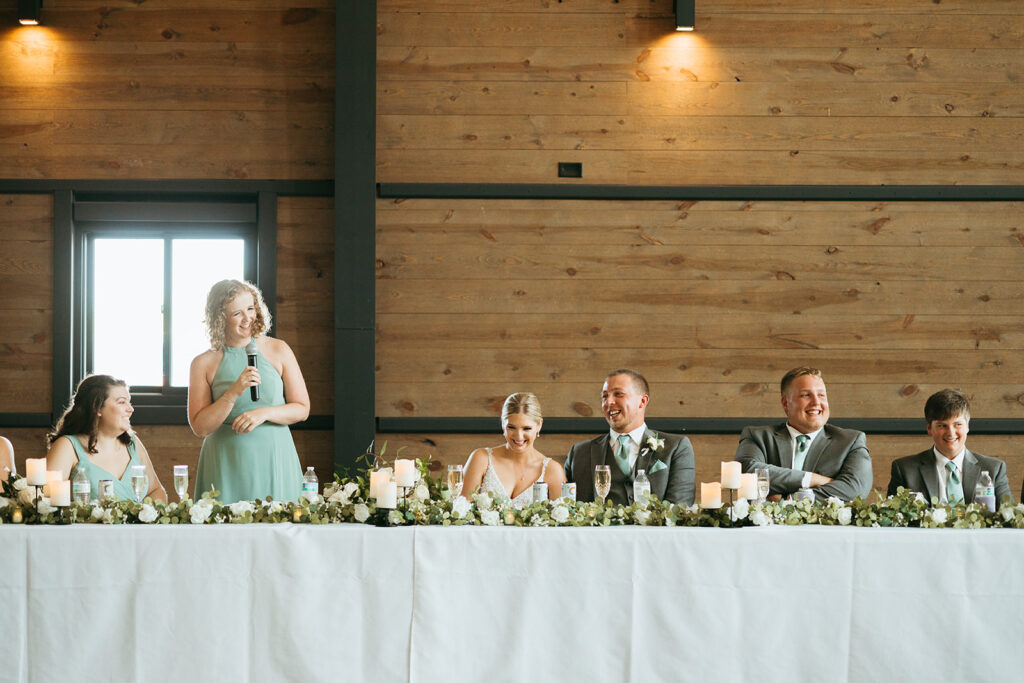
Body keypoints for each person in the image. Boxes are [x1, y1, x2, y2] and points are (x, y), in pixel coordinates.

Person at [188, 279, 309, 504]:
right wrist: (233, 392)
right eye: (237, 314)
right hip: (226, 463)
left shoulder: (278, 349)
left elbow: (302, 409)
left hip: (275, 457)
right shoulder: (203, 363)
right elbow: (200, 427)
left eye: (251, 309)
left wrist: (263, 413)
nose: (248, 319)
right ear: (220, 317)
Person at [734, 367, 871, 502]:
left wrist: (789, 500)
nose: (816, 402)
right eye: (806, 395)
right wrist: (811, 479)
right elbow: (748, 471)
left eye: (821, 395)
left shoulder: (851, 441)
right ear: (786, 404)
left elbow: (856, 489)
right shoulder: (758, 436)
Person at [564, 369, 695, 506]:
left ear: (642, 401)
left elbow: (680, 507)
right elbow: (567, 507)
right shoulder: (579, 453)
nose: (608, 402)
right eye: (604, 396)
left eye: (618, 394)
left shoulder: (677, 447)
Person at [46, 375, 166, 502]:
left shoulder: (133, 444)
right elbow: (47, 501)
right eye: (121, 402)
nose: (130, 409)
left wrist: (144, 515)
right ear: (97, 407)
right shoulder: (67, 446)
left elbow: (156, 491)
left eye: (129, 402)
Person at [887, 388, 1012, 504]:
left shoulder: (994, 469)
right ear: (929, 428)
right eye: (942, 425)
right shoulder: (904, 470)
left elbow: (1009, 519)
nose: (951, 433)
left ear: (967, 425)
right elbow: (892, 521)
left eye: (957, 424)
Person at [461, 392, 566, 508]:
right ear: (502, 423)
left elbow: (562, 522)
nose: (519, 437)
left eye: (526, 428)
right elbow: (461, 512)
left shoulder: (553, 470)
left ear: (539, 425)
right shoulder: (481, 459)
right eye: (511, 427)